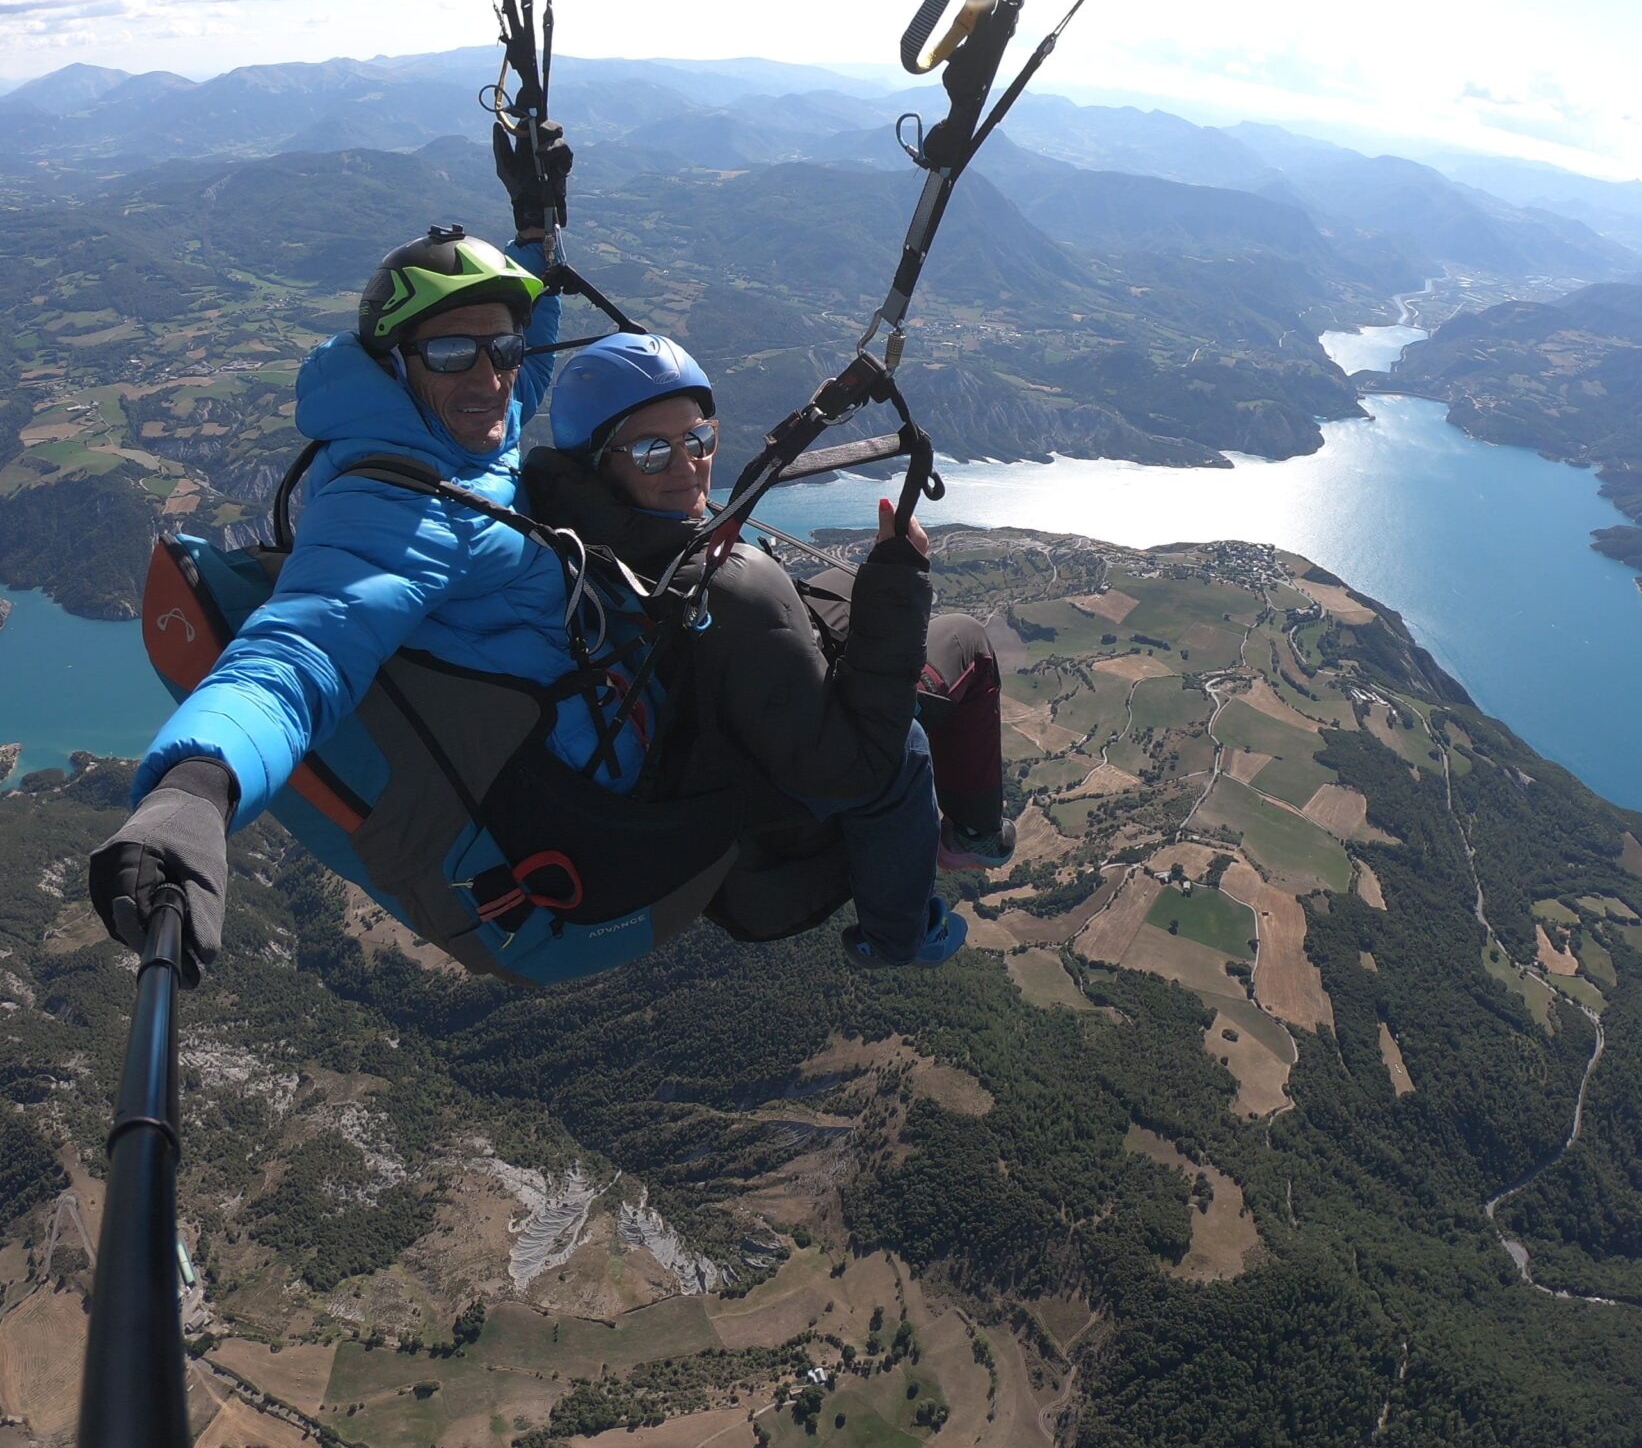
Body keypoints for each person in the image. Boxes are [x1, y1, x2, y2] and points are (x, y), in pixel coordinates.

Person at [91, 218, 582, 977]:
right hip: (555, 753)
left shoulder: (453, 424)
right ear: (394, 363)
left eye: (503, 349)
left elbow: (523, 386)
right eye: (453, 352)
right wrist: (195, 790)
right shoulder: (393, 512)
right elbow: (297, 652)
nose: (491, 378)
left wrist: (533, 236)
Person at [524, 333, 1014, 967]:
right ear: (599, 461)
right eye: (651, 451)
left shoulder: (566, 524)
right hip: (773, 856)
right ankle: (916, 915)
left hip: (708, 766)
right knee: (959, 656)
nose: (687, 465)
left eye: (699, 439)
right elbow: (858, 766)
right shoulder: (734, 587)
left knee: (849, 588)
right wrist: (898, 582)